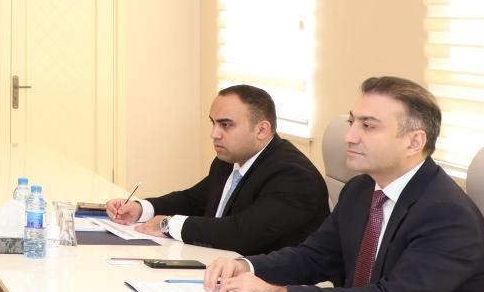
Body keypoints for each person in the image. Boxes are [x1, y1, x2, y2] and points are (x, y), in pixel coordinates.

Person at [205, 76, 484, 292]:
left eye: (368, 126)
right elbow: (313, 257)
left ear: (414, 142)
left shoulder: (448, 215)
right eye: (352, 122)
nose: (349, 136)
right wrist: (247, 267)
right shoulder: (361, 190)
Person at [105, 85, 326, 253]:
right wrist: (141, 209)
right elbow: (194, 200)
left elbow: (241, 233)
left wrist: (167, 224)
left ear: (261, 130)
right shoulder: (229, 159)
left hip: (270, 287)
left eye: (225, 125)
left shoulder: (294, 177)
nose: (214, 134)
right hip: (219, 268)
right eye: (213, 123)